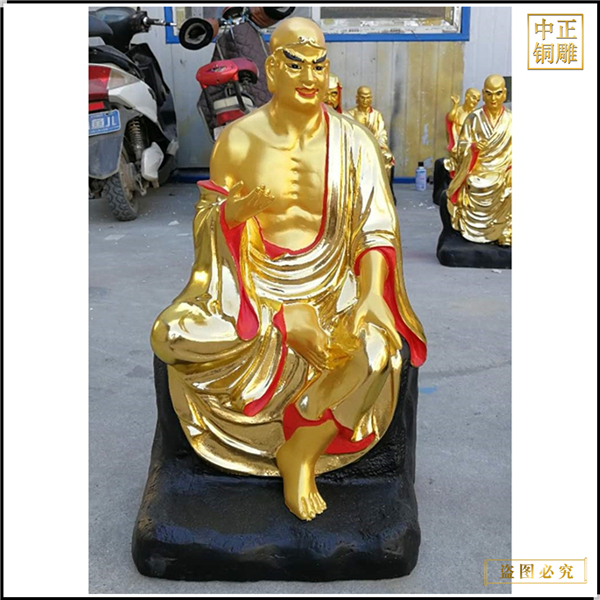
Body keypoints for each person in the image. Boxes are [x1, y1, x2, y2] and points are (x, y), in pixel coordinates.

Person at [151, 17, 426, 521]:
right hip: (252, 290)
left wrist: (370, 295)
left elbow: (376, 229)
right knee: (170, 336)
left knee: (378, 350)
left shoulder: (356, 142)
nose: (309, 78)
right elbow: (209, 244)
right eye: (295, 65)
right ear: (271, 70)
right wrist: (231, 220)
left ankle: (303, 446)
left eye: (319, 66)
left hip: (335, 287)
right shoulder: (237, 140)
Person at [446, 74, 511, 246]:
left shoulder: (512, 121)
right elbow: (460, 147)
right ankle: (473, 229)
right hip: (478, 169)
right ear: (483, 94)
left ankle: (505, 231)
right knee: (471, 183)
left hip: (502, 169)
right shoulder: (473, 118)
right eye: (489, 94)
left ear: (504, 94)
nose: (493, 99)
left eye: (498, 93)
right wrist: (473, 148)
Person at [345, 85, 395, 179]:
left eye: (368, 98)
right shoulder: (349, 115)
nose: (365, 101)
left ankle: (383, 186)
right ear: (357, 98)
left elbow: (382, 134)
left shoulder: (376, 115)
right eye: (362, 98)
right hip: (355, 148)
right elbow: (347, 134)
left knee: (387, 157)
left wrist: (375, 146)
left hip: (374, 147)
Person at [443, 88, 481, 175]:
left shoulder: (477, 114)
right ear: (466, 97)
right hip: (459, 145)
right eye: (474, 98)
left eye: (478, 100)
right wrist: (455, 104)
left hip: (471, 144)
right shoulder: (458, 111)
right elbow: (450, 118)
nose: (475, 101)